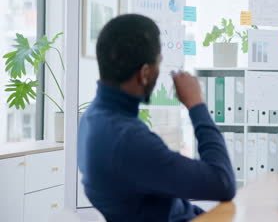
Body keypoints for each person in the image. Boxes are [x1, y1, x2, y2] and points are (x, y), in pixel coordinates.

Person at [77, 14, 236, 222]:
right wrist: (197, 105)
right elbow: (223, 182)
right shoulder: (128, 140)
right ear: (144, 73)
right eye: (158, 63)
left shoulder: (92, 119)